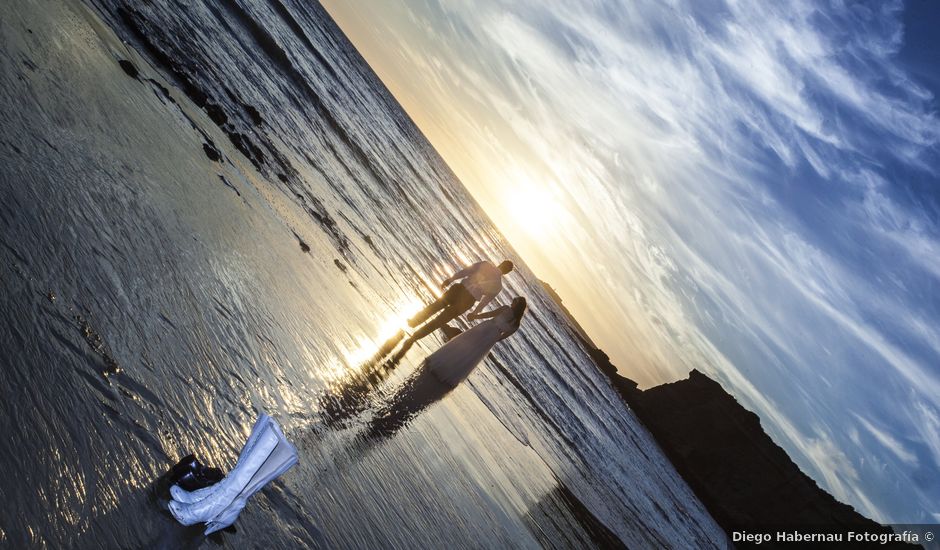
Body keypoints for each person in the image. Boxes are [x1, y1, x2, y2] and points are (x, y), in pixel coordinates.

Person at [369, 297, 528, 437]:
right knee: (470, 355)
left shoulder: (506, 310)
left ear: (516, 305)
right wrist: (490, 340)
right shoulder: (516, 324)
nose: (511, 302)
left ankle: (444, 362)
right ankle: (450, 372)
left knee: (463, 345)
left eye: (514, 301)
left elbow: (491, 314)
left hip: (486, 329)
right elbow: (503, 338)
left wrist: (477, 316)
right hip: (491, 338)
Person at [407, 259, 514, 341]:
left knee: (434, 307)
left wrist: (451, 279)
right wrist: (474, 313)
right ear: (506, 273)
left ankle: (413, 322)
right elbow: (484, 302)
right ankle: (416, 336)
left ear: (501, 263)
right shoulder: (498, 286)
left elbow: (466, 271)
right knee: (441, 320)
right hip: (467, 302)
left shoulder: (485, 264)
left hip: (458, 290)